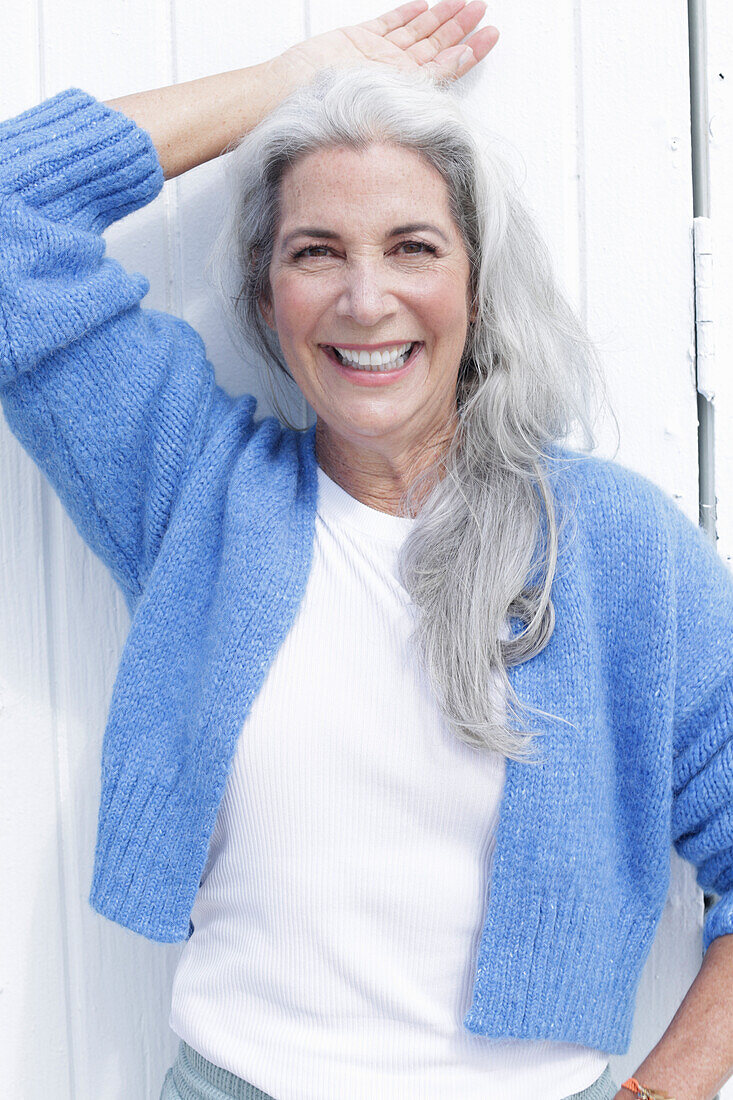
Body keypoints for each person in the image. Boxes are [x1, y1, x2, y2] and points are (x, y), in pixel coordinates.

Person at [1, 2, 732, 1099]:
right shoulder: (198, 491)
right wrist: (296, 80)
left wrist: (662, 1090)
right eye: (315, 251)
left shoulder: (617, 547)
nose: (364, 297)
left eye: (412, 246)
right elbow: (13, 217)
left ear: (476, 285)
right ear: (265, 293)